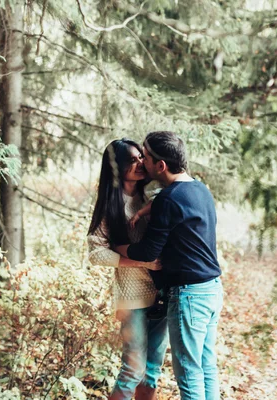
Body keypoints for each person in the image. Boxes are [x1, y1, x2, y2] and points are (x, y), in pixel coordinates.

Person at [116, 131, 223, 400]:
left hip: (189, 296)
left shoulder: (168, 199)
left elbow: (149, 250)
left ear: (161, 166)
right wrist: (144, 210)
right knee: (206, 367)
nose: (142, 162)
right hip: (212, 290)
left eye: (147, 157)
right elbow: (173, 203)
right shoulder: (199, 189)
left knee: (188, 374)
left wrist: (119, 248)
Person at [87, 138, 169, 400]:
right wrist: (139, 262)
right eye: (131, 160)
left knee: (152, 370)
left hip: (163, 291)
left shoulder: (154, 195)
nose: (139, 163)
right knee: (133, 369)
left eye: (140, 158)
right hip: (131, 297)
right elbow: (96, 253)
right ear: (117, 168)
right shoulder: (110, 205)